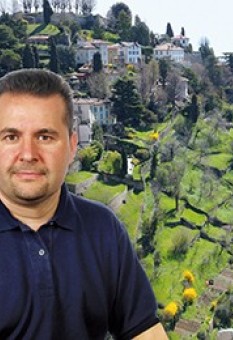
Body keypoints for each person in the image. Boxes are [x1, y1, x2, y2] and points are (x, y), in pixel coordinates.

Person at [0, 69, 167, 339]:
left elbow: (143, 329)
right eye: (11, 137)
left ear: (72, 146)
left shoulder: (103, 228)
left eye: (45, 137)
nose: (28, 155)